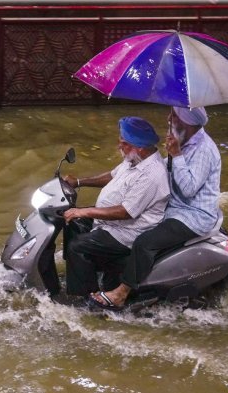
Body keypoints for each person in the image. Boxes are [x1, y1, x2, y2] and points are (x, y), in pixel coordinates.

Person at [89, 106, 222, 311]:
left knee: (144, 242)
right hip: (173, 207)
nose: (169, 118)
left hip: (193, 215)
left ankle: (121, 293)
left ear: (187, 121)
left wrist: (176, 155)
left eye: (175, 116)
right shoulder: (184, 140)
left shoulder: (204, 149)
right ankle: (114, 274)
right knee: (130, 230)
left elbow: (188, 190)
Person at [61, 116, 170, 297]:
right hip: (111, 223)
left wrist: (85, 211)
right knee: (72, 223)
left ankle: (84, 299)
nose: (120, 146)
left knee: (77, 246)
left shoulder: (152, 174)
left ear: (140, 147)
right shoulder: (134, 158)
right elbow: (112, 175)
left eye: (124, 143)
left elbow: (126, 212)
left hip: (127, 232)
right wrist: (79, 182)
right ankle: (82, 273)